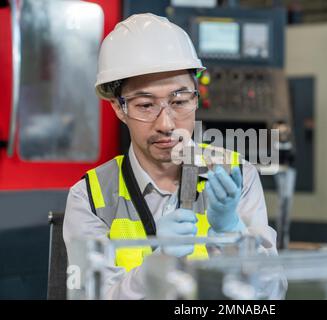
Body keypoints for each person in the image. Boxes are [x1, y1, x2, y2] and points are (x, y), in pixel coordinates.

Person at [63, 13, 285, 299]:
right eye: (145, 105)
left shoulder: (236, 175)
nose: (166, 123)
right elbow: (89, 296)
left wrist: (232, 234)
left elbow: (272, 293)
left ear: (196, 98)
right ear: (119, 109)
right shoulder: (91, 198)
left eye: (179, 101)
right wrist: (157, 265)